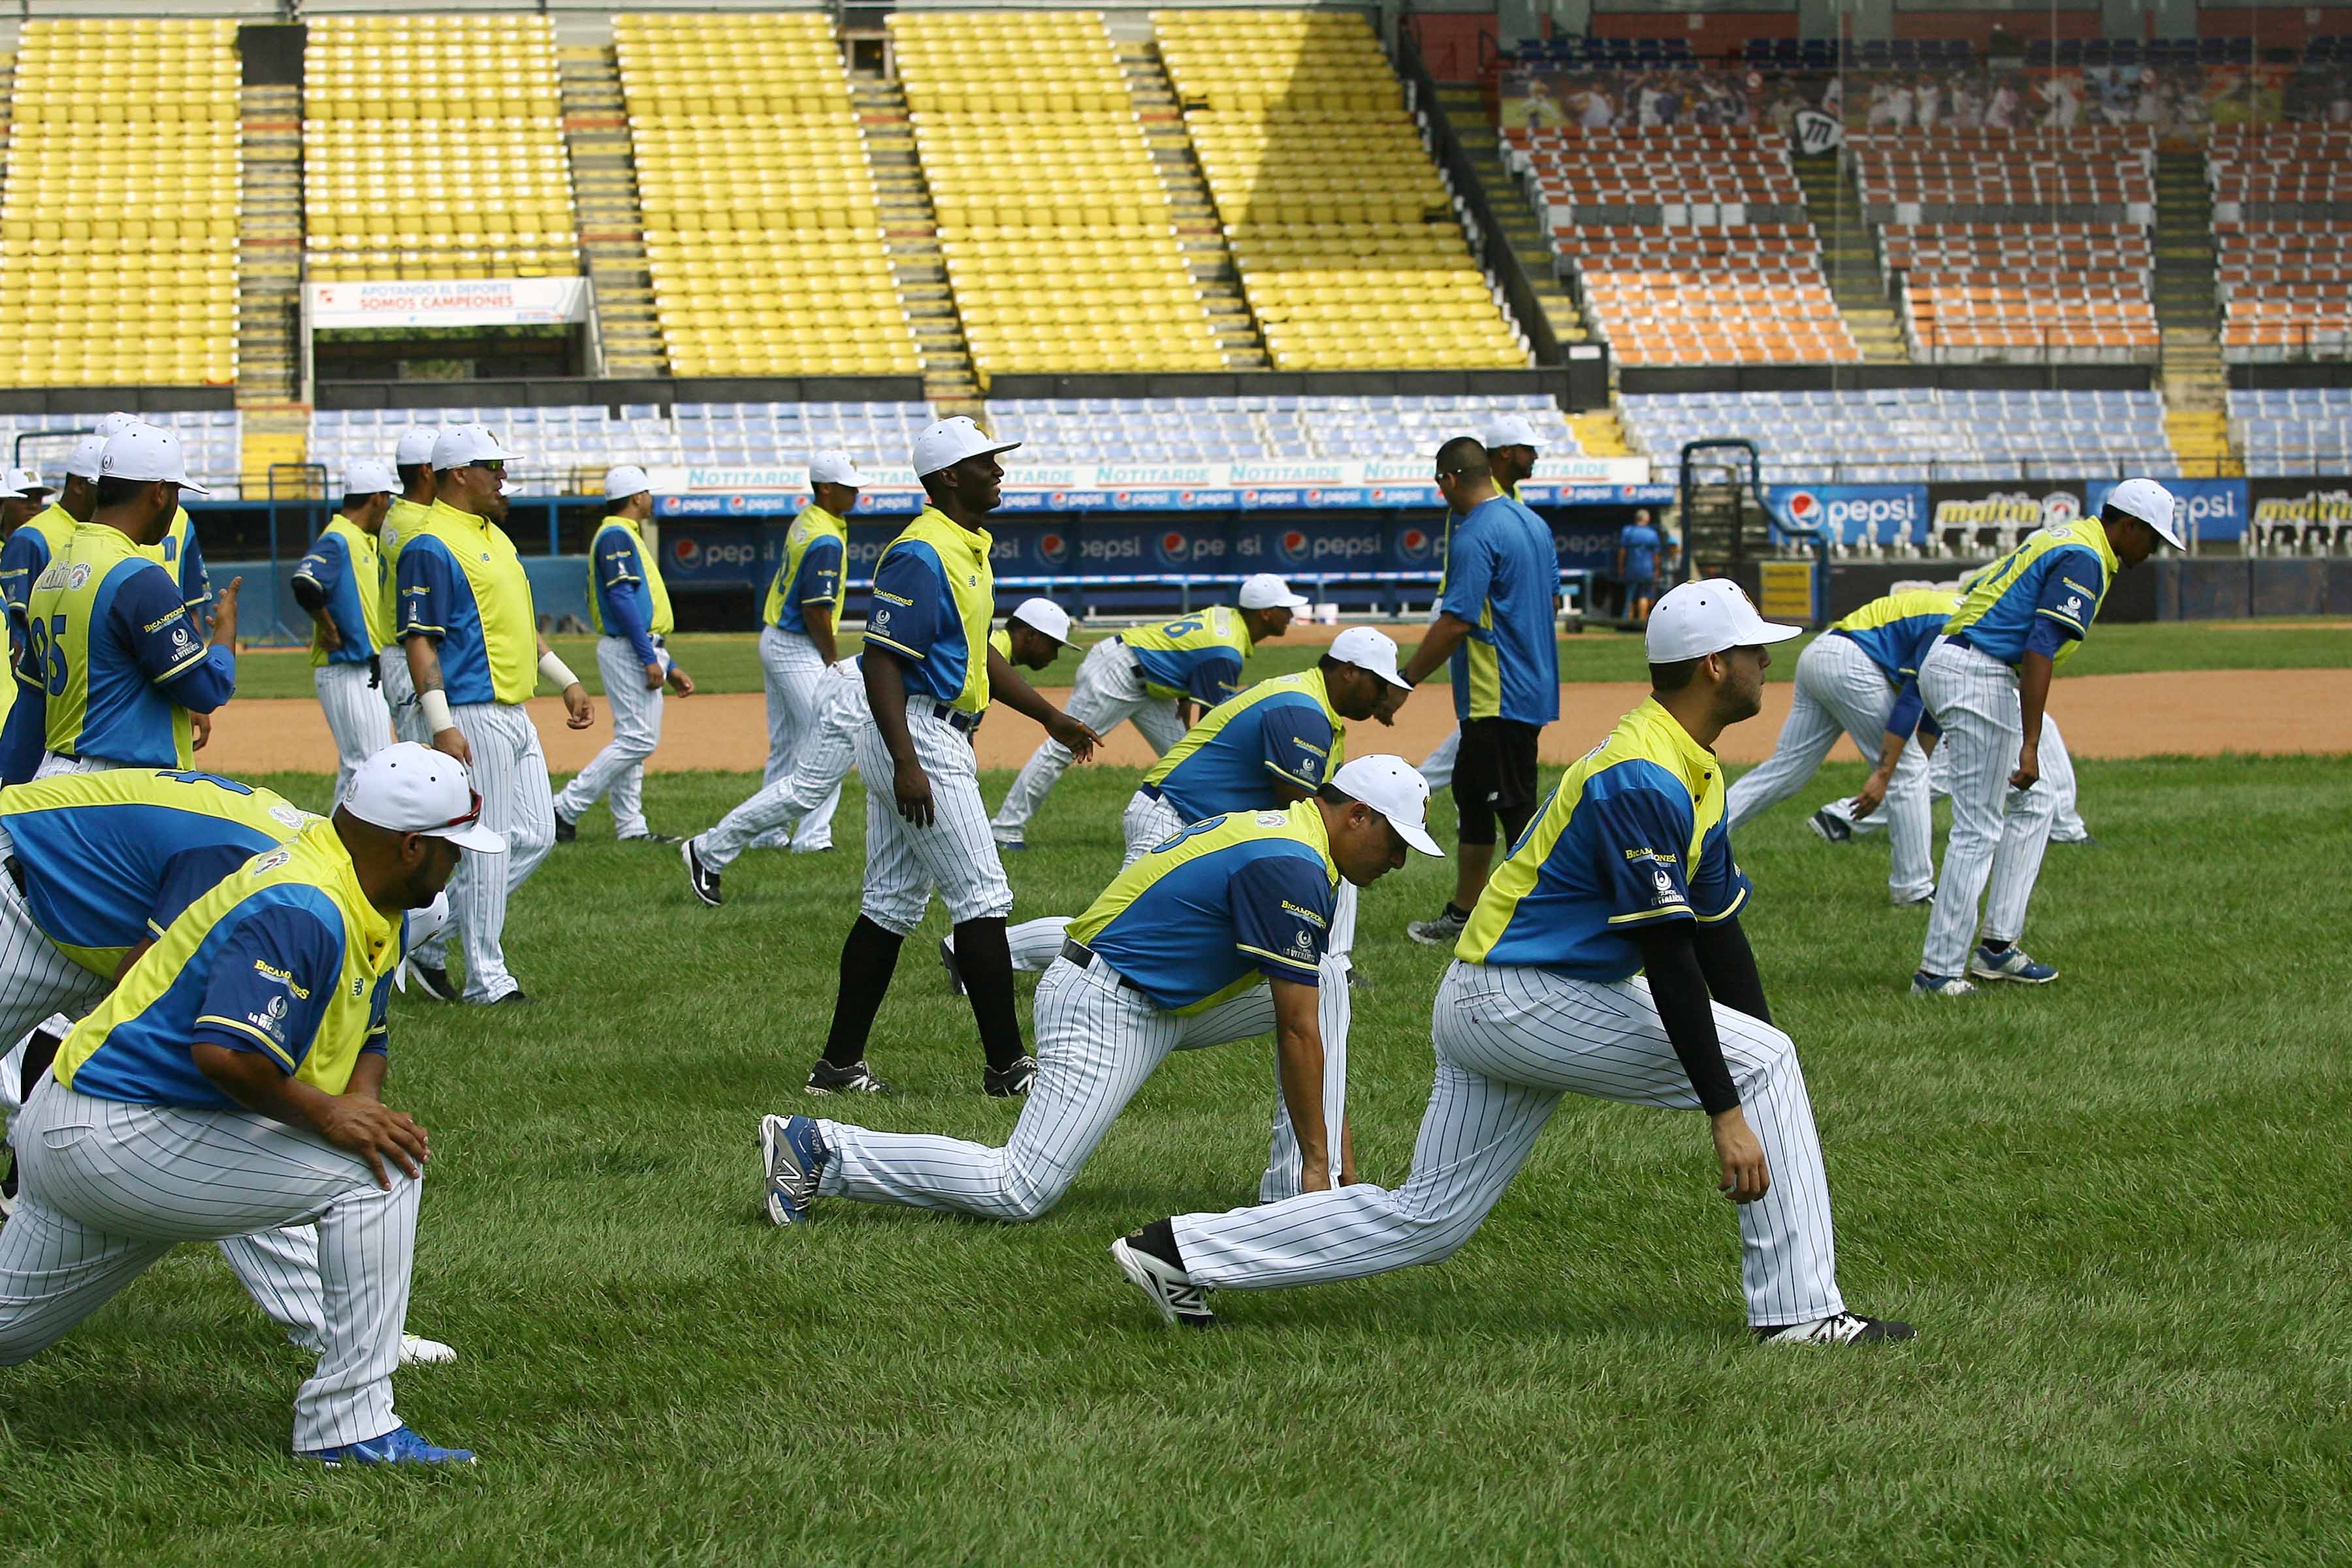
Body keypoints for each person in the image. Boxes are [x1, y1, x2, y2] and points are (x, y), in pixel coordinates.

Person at [1108, 581, 1914, 1347]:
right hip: (1519, 1001)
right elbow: (1668, 952)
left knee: (1429, 1218)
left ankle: (1178, 1250)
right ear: (1713, 665)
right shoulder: (1642, 771)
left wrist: (1746, 1052)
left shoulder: (1686, 761)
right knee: (1766, 1062)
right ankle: (1800, 1315)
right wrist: (1729, 1105)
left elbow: (1715, 933)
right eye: (1752, 651)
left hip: (1502, 997)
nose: (1764, 665)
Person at [0, 743, 498, 1466]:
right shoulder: (304, 903)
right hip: (119, 1130)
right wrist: (332, 1118)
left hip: (97, 1119)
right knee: (379, 1174)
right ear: (412, 845)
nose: (460, 863)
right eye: (453, 849)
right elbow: (226, 1056)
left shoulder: (367, 894)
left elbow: (371, 1029)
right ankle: (349, 1425)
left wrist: (362, 1102)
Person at [759, 756, 1442, 1228]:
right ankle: (815, 1148)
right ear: (1356, 816)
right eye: (1396, 842)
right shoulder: (1291, 865)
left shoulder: (1292, 837)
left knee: (1325, 982)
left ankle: (1296, 1195)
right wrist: (1326, 1161)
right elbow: (1296, 1030)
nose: (1398, 860)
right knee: (1018, 1188)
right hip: (1106, 1002)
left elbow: (1310, 1019)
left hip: (1155, 995)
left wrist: (1339, 1170)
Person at [812, 418, 1102, 1099]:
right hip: (917, 733)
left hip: (930, 732)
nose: (998, 471)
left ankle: (837, 1067)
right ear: (948, 477)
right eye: (984, 463)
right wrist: (906, 761)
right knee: (982, 897)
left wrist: (1049, 715)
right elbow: (882, 661)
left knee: (889, 903)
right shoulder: (921, 552)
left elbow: (978, 654)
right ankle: (1008, 1069)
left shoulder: (965, 543)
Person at [965, 625, 1415, 978]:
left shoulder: (1315, 706)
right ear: (1350, 672)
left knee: (1151, 932)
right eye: (1378, 687)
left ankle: (1335, 967)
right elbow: (1304, 814)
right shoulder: (1300, 709)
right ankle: (976, 950)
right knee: (1119, 930)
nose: (1380, 700)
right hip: (1172, 814)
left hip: (1198, 821)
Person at [1911, 479, 2178, 997]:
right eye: (2154, 538)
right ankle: (1937, 972)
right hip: (1979, 671)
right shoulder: (2084, 556)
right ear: (2129, 527)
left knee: (2037, 804)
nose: (2155, 549)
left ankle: (1996, 947)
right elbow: (2039, 646)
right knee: (1978, 827)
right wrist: (2030, 742)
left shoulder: (2071, 536)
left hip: (1968, 661)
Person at [683, 598, 1072, 908]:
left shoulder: (994, 649)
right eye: (1054, 646)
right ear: (1030, 636)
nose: (1055, 657)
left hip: (864, 689)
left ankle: (896, 892)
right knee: (808, 790)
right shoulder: (992, 653)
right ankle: (707, 850)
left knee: (889, 793)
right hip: (857, 692)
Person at [395, 424, 594, 1006]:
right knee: (488, 846)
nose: (503, 476)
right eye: (493, 466)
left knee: (536, 835)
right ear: (460, 473)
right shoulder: (429, 543)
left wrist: (566, 679)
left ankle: (421, 938)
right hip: (471, 708)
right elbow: (420, 640)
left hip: (513, 706)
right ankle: (488, 978)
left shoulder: (491, 535)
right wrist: (441, 723)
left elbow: (517, 624)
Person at [989, 574, 1308, 852]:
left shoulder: (1226, 620)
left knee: (1186, 758)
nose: (1291, 615)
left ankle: (1201, 831)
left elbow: (1187, 656)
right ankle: (1005, 830)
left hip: (1150, 682)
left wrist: (1184, 693)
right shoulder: (1226, 649)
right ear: (1266, 613)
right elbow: (1216, 725)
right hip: (1118, 670)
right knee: (1063, 747)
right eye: (1286, 609)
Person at [0, 425, 241, 784]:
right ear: (160, 493)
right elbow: (207, 689)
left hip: (53, 778)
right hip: (121, 785)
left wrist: (12, 785)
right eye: (177, 492)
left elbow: (32, 703)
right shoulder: (138, 577)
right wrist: (224, 634)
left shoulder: (55, 571)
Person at [1402, 436, 1561, 946]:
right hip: (1523, 684)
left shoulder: (1474, 533)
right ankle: (1463, 912)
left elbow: (1455, 622)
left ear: (1449, 479)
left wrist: (1402, 682)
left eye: (1437, 481)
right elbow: (1550, 596)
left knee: (1514, 809)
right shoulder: (1531, 523)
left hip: (1499, 693)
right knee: (1473, 801)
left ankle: (1541, 919)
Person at [1724, 588, 1956, 908]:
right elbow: (1913, 698)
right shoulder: (1955, 625)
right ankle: (1913, 889)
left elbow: (1932, 704)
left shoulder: (1957, 608)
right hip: (1851, 663)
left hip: (1821, 654)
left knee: (1787, 771)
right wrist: (1887, 771)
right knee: (1908, 768)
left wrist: (1915, 762)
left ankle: (1701, 832)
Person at [553, 465, 695, 844]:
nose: (652, 498)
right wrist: (648, 655)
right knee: (639, 740)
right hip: (630, 648)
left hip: (641, 646)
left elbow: (638, 605)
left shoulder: (623, 534)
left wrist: (670, 664)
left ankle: (630, 826)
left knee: (633, 738)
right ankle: (564, 808)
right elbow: (622, 598)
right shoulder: (617, 535)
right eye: (648, 493)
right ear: (636, 497)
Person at [1419, 415, 1544, 799]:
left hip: (1490, 614)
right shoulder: (1472, 502)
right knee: (1484, 712)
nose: (1535, 456)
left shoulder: (1507, 501)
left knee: (1485, 716)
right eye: (1528, 449)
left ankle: (1454, 790)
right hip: (1468, 611)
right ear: (1506, 452)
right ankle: (1426, 786)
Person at [752, 449, 864, 855]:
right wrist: (831, 658)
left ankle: (767, 832)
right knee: (831, 736)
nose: (856, 494)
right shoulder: (825, 537)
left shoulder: (810, 518)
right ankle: (812, 837)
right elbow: (816, 608)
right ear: (827, 487)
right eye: (849, 488)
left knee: (785, 745)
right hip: (797, 645)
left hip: (776, 638)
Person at [1816, 711, 2093, 847]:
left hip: (1982, 676)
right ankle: (1841, 816)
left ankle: (2064, 826)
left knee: (2042, 726)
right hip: (1971, 678)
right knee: (1950, 770)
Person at [291, 459, 398, 810]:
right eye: (388, 499)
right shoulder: (339, 537)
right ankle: (341, 849)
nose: (390, 506)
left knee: (362, 764)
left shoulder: (360, 539)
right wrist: (328, 626)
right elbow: (305, 581)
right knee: (365, 765)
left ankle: (337, 847)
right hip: (345, 667)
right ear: (377, 498)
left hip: (363, 670)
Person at [377, 428, 440, 743]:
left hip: (405, 650)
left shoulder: (401, 513)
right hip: (409, 652)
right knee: (424, 763)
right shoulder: (415, 524)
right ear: (427, 471)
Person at [1617, 507, 1664, 620]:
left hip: (1631, 567)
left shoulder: (1628, 531)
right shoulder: (1652, 534)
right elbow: (1656, 555)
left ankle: (1628, 621)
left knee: (1630, 595)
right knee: (1644, 595)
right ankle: (1642, 621)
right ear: (1647, 520)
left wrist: (1621, 567)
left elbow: (1622, 551)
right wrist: (1657, 569)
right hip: (1647, 569)